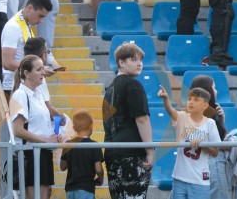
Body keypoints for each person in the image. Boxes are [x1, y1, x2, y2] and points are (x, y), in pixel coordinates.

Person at [103, 42, 153, 198]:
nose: (139, 64)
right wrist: (150, 150)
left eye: (140, 60)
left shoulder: (109, 88)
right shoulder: (133, 85)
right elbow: (142, 119)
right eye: (134, 59)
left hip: (112, 153)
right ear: (121, 62)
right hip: (131, 155)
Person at [9, 55, 63, 199]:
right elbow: (17, 130)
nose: (43, 73)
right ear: (27, 73)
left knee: (45, 194)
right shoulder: (20, 95)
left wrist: (53, 136)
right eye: (39, 70)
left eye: (43, 69)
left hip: (43, 152)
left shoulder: (38, 94)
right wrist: (45, 140)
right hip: (30, 154)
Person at [156, 84, 220, 198]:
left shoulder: (210, 123)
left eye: (196, 100)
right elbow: (170, 110)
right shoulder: (182, 117)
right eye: (189, 99)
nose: (191, 102)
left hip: (199, 180)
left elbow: (215, 152)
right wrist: (166, 99)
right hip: (179, 177)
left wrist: (202, 145)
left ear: (205, 105)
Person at [0, 0, 53, 94]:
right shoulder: (13, 27)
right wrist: (38, 69)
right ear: (30, 8)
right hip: (13, 86)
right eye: (40, 16)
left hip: (25, 84)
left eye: (44, 17)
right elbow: (7, 63)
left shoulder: (25, 25)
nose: (41, 21)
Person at [60, 110, 105, 199]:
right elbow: (98, 169)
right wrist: (100, 179)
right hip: (86, 188)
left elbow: (62, 166)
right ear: (91, 126)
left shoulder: (69, 144)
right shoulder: (94, 145)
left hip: (70, 189)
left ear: (74, 128)